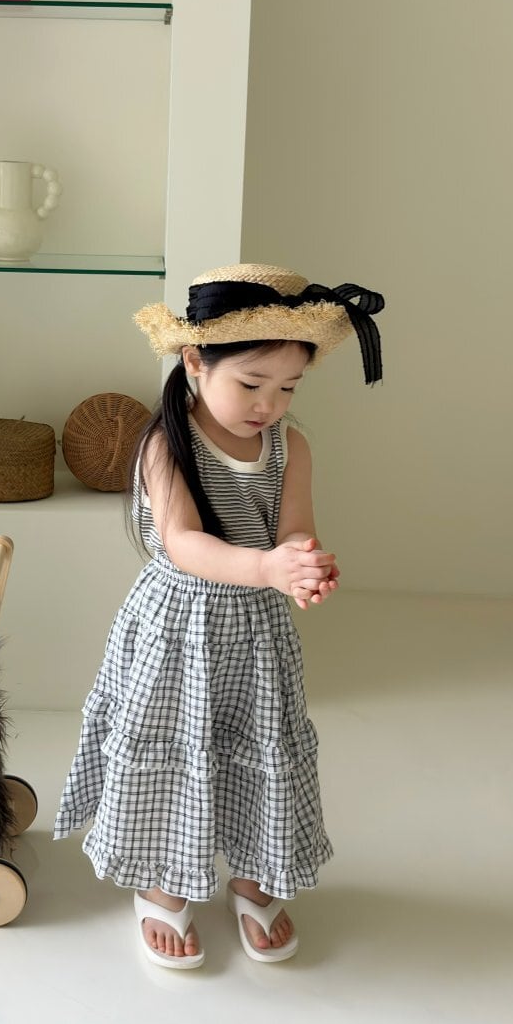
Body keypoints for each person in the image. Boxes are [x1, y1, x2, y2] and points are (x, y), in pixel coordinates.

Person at [53, 263, 384, 968]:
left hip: (256, 631)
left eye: (288, 388)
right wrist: (266, 569)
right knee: (173, 745)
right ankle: (163, 881)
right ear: (195, 362)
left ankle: (254, 873)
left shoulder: (290, 446)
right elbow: (183, 544)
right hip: (179, 626)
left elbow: (294, 527)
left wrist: (301, 563)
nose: (269, 405)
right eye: (252, 383)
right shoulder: (165, 444)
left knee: (260, 743)